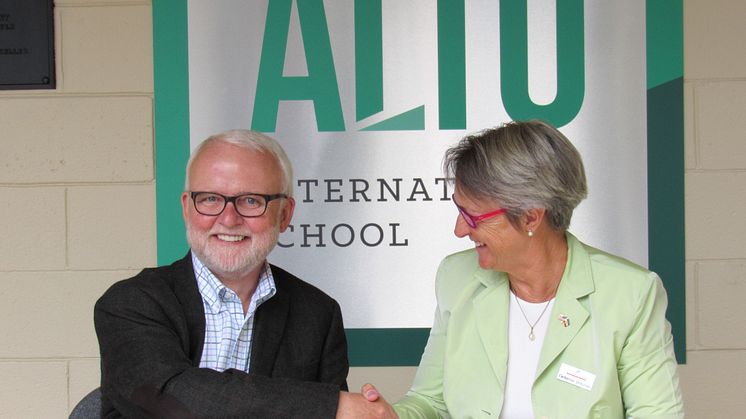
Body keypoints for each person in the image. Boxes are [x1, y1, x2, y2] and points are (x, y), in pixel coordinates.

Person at [384, 120, 684, 418]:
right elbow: (431, 403)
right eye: (459, 210)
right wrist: (390, 417)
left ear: (530, 218)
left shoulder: (630, 294)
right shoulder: (456, 278)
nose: (460, 230)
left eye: (473, 217)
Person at [95, 129, 390, 418]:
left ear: (284, 214)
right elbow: (170, 396)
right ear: (187, 208)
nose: (228, 218)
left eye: (251, 200)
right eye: (210, 198)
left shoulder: (317, 314)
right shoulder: (131, 303)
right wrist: (331, 406)